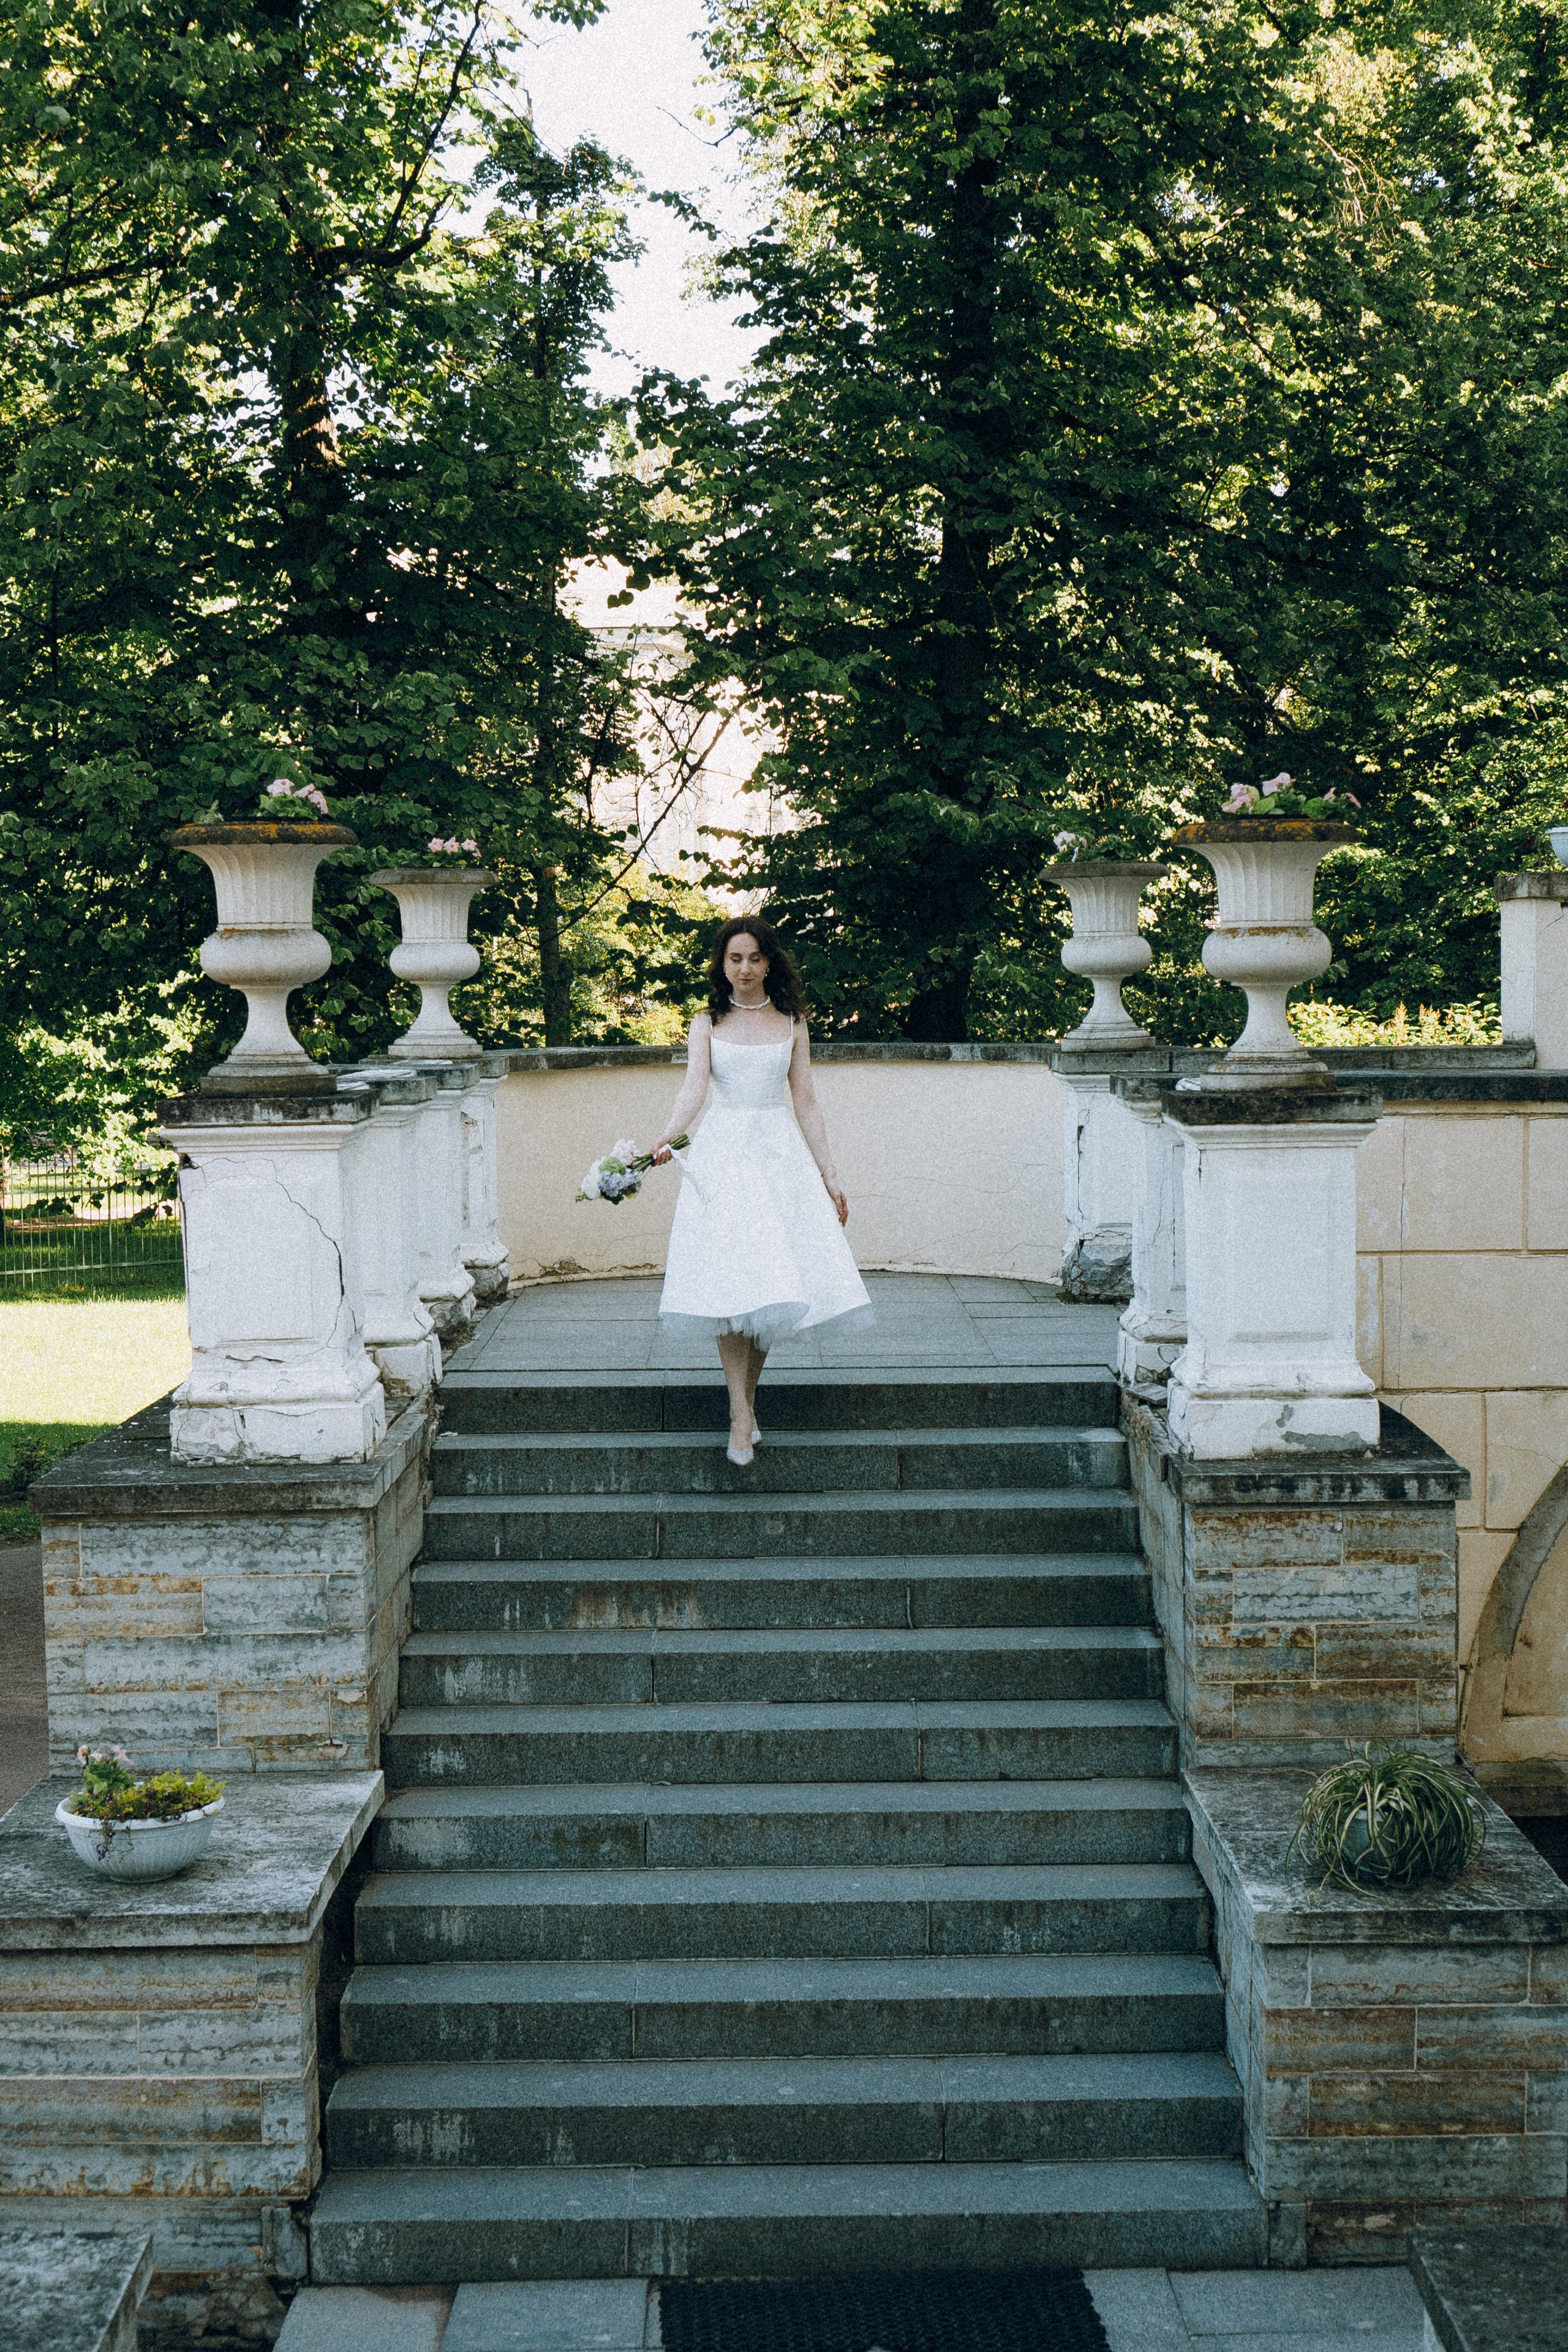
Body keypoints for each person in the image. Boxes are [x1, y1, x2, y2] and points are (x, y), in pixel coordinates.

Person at [650, 917, 872, 1464]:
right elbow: (693, 1092)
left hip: (780, 1160)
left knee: (771, 1284)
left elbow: (808, 1102)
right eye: (734, 959)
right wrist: (662, 1141)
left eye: (753, 958)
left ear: (769, 962)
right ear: (721, 965)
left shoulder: (794, 1023)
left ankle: (745, 1406)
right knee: (732, 1283)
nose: (744, 969)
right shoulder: (705, 1022)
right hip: (725, 1159)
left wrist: (830, 1174)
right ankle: (739, 1413)